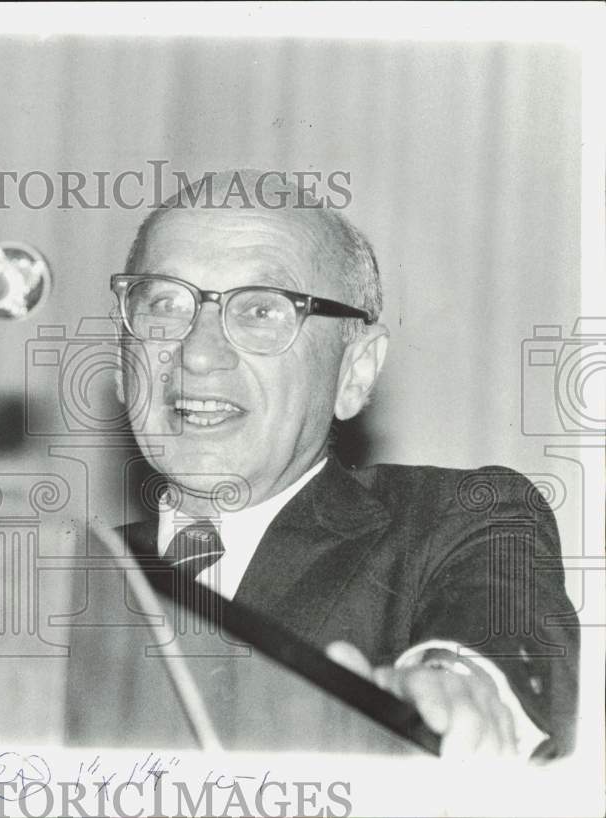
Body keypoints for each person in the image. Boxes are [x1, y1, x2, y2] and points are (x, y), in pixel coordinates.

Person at [109, 169, 579, 758]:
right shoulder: (60, 580)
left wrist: (455, 689)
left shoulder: (456, 522)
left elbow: (495, 634)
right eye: (165, 304)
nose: (198, 354)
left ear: (354, 371)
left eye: (261, 311)